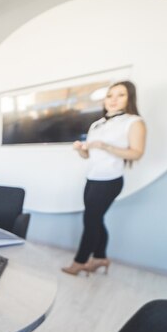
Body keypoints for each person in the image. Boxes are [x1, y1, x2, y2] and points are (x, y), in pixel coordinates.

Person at [62, 81, 146, 276]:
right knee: (96, 219)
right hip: (92, 178)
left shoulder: (133, 122)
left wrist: (106, 146)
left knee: (90, 219)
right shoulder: (97, 124)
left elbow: (136, 153)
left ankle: (80, 262)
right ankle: (100, 257)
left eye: (121, 95)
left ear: (129, 98)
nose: (114, 100)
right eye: (110, 95)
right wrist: (80, 150)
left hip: (110, 180)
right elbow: (88, 156)